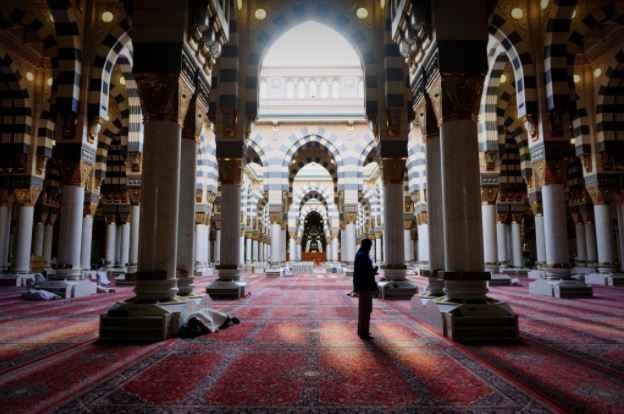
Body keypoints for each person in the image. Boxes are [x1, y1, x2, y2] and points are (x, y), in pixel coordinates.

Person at [353, 238, 378, 340]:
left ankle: (363, 331)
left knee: (366, 310)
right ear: (366, 245)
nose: (370, 247)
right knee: (365, 310)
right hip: (364, 286)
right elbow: (362, 273)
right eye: (370, 245)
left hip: (365, 286)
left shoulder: (362, 254)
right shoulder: (362, 256)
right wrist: (372, 271)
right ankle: (363, 332)